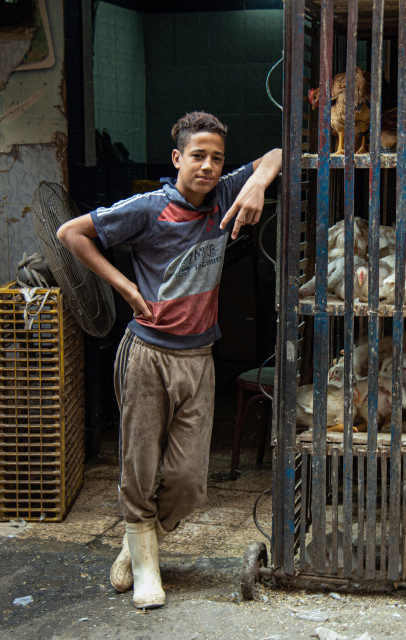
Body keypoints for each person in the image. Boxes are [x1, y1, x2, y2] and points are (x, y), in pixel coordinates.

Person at [57, 111, 282, 609]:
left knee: (186, 481)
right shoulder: (148, 208)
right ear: (177, 158)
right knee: (140, 466)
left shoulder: (226, 195)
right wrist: (122, 285)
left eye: (216, 158)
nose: (207, 166)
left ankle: (138, 541)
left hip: (199, 358)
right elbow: (70, 233)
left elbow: (277, 154)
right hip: (147, 355)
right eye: (197, 156)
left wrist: (256, 185)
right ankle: (144, 568)